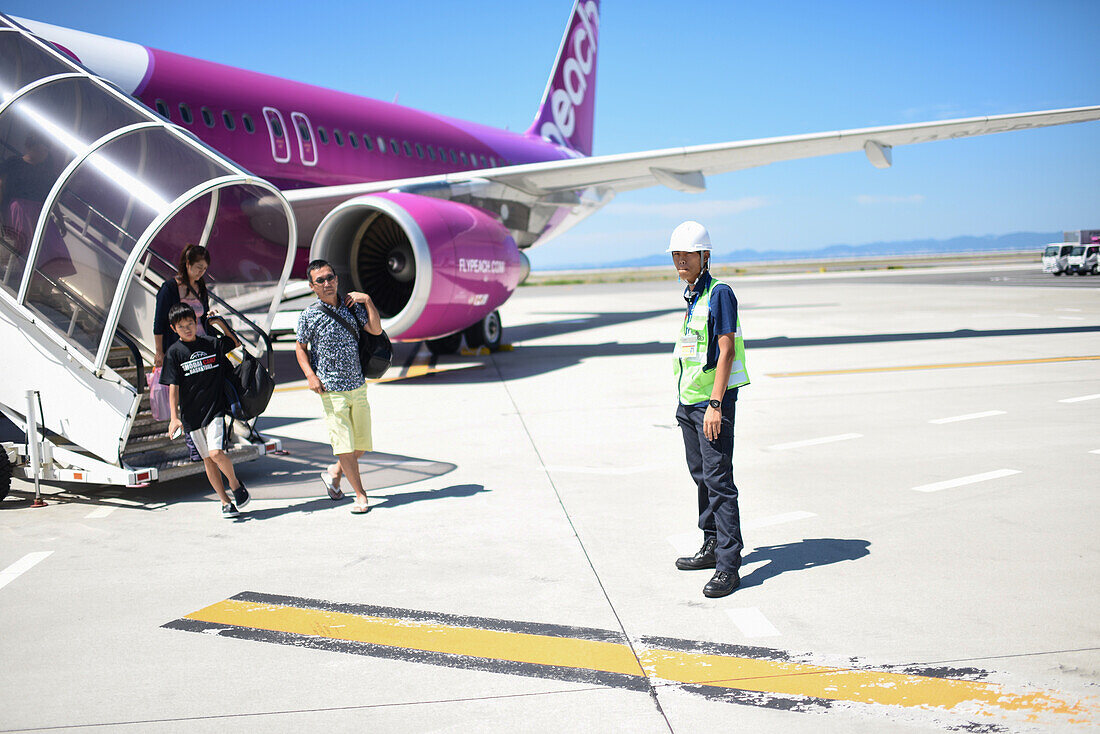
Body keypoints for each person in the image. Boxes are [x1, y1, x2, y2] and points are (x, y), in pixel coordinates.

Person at [668, 221, 750, 598]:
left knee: (718, 480)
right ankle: (711, 543)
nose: (680, 260)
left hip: (710, 404)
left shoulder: (719, 294)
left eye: (687, 254)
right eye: (675, 255)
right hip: (690, 403)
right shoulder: (692, 296)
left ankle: (728, 565)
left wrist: (716, 404)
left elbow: (726, 350)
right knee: (701, 476)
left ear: (705, 256)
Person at [294, 259, 383, 514]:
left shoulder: (351, 307)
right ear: (312, 286)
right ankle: (360, 495)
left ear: (337, 279)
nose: (327, 283)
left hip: (358, 385)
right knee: (344, 445)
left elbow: (375, 329)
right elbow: (300, 348)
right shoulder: (309, 315)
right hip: (331, 389)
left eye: (330, 277)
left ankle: (334, 473)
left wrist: (367, 300)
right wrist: (311, 375)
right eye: (320, 280)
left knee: (361, 445)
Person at [161, 302, 251, 518]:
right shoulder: (174, 353)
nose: (187, 328)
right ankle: (225, 502)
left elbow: (235, 343)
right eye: (182, 326)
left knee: (216, 453)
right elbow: (173, 388)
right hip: (191, 417)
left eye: (190, 323)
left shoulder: (211, 343)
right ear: (174, 329)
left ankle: (235, 484)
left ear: (196, 323)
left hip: (215, 410)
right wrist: (174, 418)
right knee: (208, 460)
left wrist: (219, 322)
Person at [153, 244, 216, 460]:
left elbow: (203, 316)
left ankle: (208, 435)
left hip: (201, 347)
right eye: (198, 267)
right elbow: (160, 322)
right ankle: (193, 442)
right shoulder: (171, 288)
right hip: (179, 349)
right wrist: (159, 352)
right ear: (187, 264)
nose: (201, 273)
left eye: (204, 269)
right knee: (184, 391)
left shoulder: (200, 287)